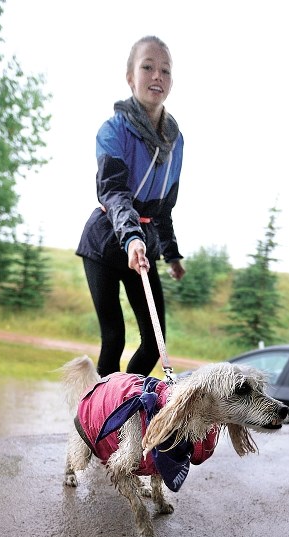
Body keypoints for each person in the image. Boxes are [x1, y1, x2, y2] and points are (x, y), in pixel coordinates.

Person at [76, 36, 185, 378]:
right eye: (148, 67)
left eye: (165, 70)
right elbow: (113, 192)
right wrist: (131, 237)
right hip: (107, 241)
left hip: (143, 245)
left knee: (155, 343)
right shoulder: (113, 131)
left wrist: (171, 254)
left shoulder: (176, 140)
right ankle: (99, 415)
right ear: (130, 77)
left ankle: (126, 406)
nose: (157, 76)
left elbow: (165, 207)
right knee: (114, 339)